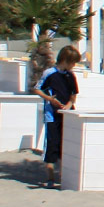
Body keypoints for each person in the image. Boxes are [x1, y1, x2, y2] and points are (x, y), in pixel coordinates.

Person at [36, 46, 81, 187]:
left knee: (66, 144)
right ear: (66, 60)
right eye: (72, 62)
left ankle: (63, 176)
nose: (73, 66)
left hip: (68, 115)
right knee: (52, 144)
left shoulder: (70, 76)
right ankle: (50, 178)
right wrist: (50, 99)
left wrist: (68, 105)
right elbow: (37, 89)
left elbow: (73, 95)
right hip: (52, 115)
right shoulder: (49, 73)